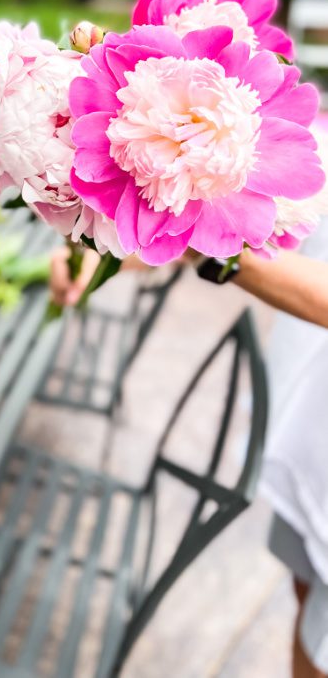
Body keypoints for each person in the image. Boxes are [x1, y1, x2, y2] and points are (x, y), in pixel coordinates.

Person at [50, 240, 328, 678]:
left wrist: (212, 248)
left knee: (318, 653)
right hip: (310, 430)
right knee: (305, 584)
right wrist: (123, 249)